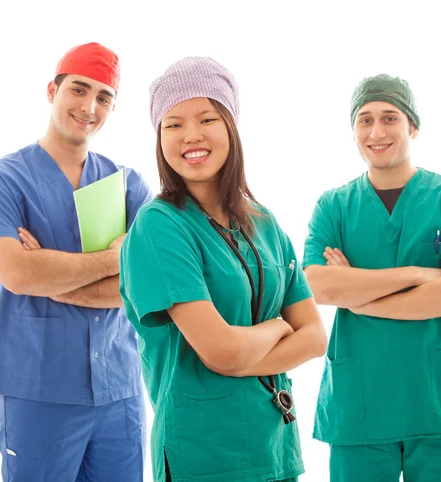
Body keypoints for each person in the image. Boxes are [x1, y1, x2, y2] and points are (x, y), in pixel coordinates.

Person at [119, 57, 327, 482]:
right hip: (204, 454)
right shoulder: (160, 226)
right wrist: (275, 328)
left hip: (274, 446)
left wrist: (239, 357)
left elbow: (315, 337)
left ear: (230, 125)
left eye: (206, 118)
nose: (190, 135)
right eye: (172, 124)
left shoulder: (264, 223)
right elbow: (220, 351)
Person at [0, 42, 151, 482]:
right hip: (37, 389)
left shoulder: (128, 185)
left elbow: (148, 285)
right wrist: (114, 259)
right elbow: (17, 272)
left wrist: (49, 276)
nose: (89, 106)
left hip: (119, 391)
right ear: (52, 90)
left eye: (104, 97)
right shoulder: (0, 178)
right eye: (79, 89)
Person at [303, 74, 441, 482]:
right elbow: (319, 286)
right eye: (365, 120)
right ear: (353, 131)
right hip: (362, 404)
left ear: (413, 126)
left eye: (390, 118)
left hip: (439, 400)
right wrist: (417, 275)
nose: (377, 132)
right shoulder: (333, 207)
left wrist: (356, 292)